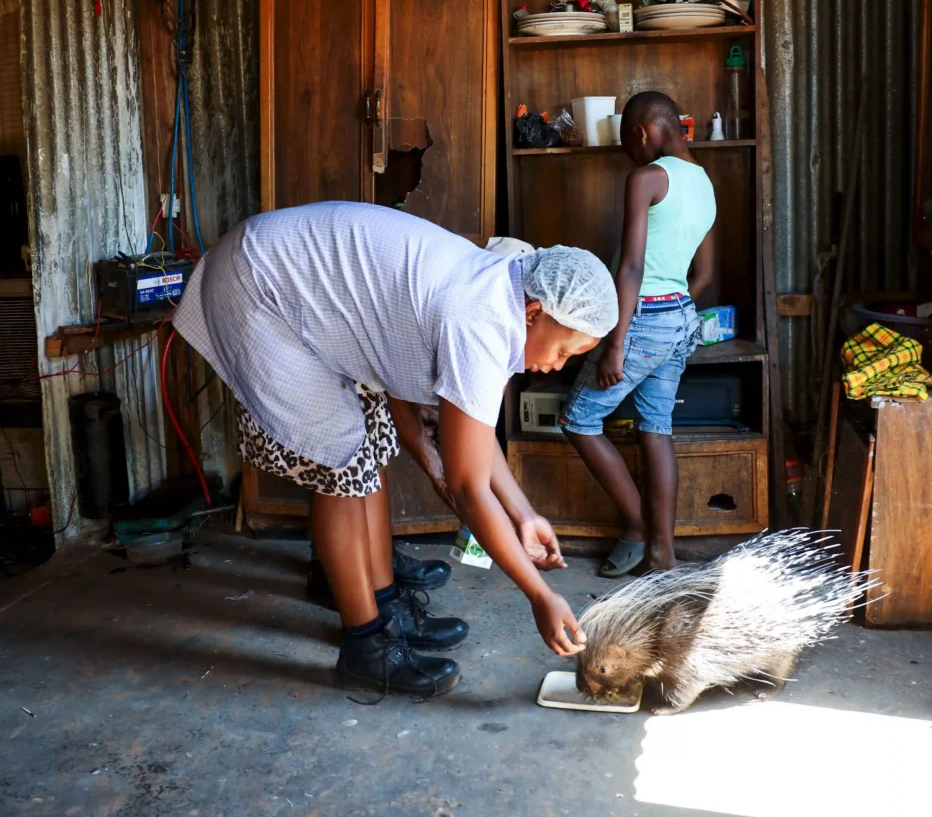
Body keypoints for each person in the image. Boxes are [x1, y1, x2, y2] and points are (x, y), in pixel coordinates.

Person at [172, 202, 618, 698]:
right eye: (563, 351)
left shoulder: (508, 283)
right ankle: (365, 648)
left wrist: (524, 512)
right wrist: (539, 594)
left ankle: (381, 603)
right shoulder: (482, 323)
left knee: (371, 440)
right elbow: (469, 487)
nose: (558, 366)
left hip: (287, 274)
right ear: (535, 312)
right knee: (341, 467)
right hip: (260, 286)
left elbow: (471, 433)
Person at [560, 91, 717, 576]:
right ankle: (661, 557)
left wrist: (617, 342)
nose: (630, 152)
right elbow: (704, 274)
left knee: (579, 419)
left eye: (629, 142)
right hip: (680, 316)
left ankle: (635, 525)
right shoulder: (705, 183)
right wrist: (673, 306)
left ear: (641, 133)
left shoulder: (647, 177)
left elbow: (629, 269)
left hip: (642, 316)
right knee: (656, 427)